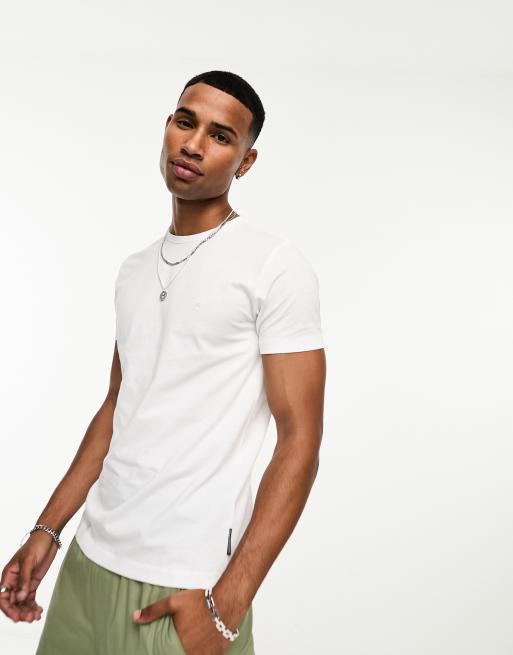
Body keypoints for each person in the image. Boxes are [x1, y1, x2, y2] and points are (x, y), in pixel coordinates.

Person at [0, 70, 326, 655]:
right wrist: (47, 530)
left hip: (183, 584)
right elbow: (118, 407)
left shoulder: (274, 266)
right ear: (167, 127)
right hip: (88, 562)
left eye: (221, 136)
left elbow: (299, 441)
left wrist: (226, 607)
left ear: (246, 162)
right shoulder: (133, 270)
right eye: (185, 122)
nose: (194, 144)